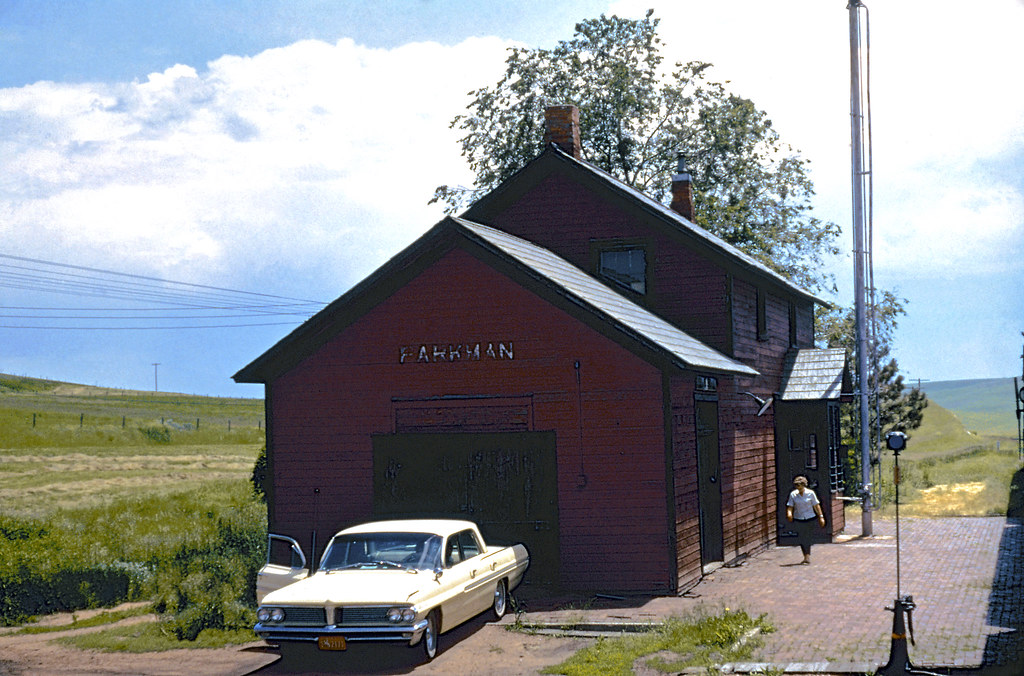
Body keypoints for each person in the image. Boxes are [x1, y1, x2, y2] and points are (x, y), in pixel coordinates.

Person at [786, 475, 826, 564]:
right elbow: (790, 506)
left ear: (804, 485)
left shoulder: (810, 493)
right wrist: (789, 514)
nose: (798, 488)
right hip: (799, 517)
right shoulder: (793, 494)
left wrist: (821, 517)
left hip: (809, 517)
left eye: (799, 486)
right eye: (796, 486)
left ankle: (807, 556)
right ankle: (805, 555)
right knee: (801, 537)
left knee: (807, 537)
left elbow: (816, 505)